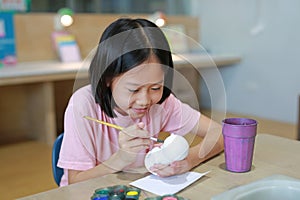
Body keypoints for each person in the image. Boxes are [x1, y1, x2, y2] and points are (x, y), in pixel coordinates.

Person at [57, 18, 224, 186]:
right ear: (107, 77)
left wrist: (189, 160)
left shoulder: (163, 104)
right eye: (134, 90)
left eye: (156, 88)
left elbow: (219, 133)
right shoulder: (83, 106)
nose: (145, 101)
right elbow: (75, 182)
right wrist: (120, 159)